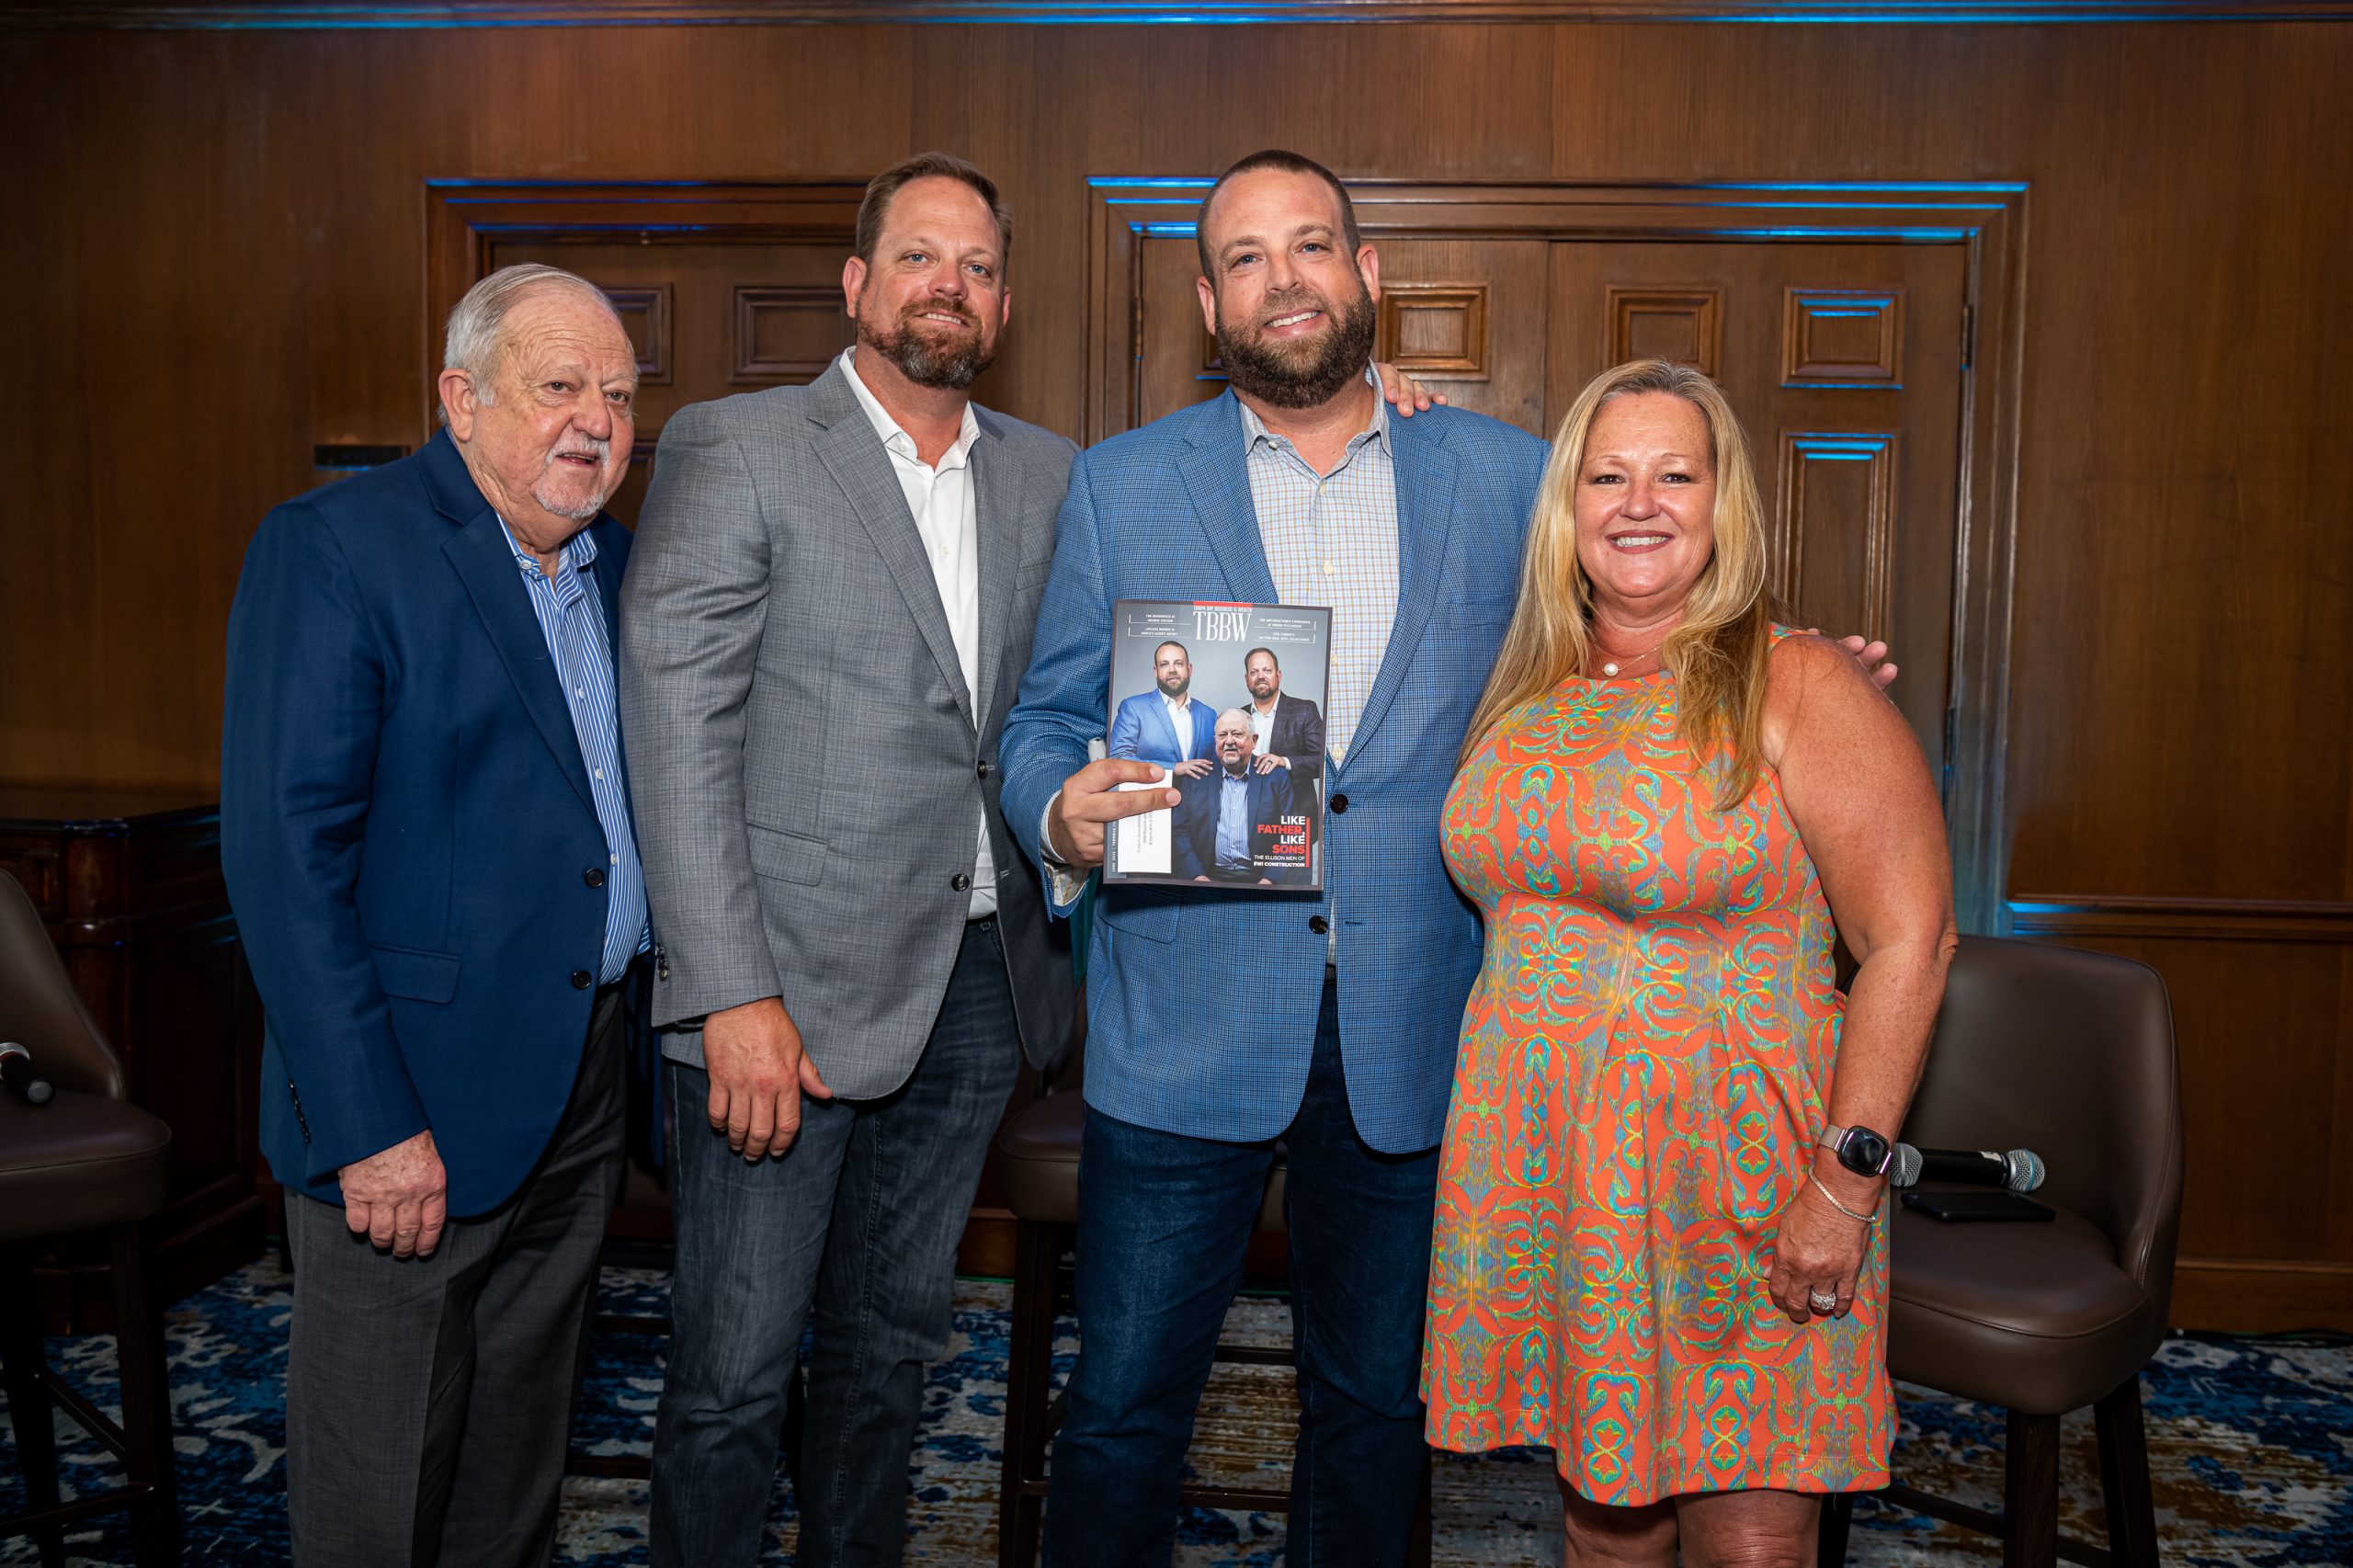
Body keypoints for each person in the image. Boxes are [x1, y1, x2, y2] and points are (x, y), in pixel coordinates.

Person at [1000, 148, 1554, 1568]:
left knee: (1374, 1409)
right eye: (1244, 257)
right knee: (1122, 1408)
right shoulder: (1124, 484)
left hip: (1409, 1020)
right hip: (1186, 1017)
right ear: (1209, 303)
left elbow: (1628, 653)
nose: (1281, 278)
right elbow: (1047, 720)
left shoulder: (1505, 476)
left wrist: (1794, 678)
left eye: (1309, 244)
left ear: (1366, 273)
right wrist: (1060, 811)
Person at [616, 153, 1078, 1567]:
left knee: (891, 1354)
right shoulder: (740, 445)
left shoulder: (1050, 474)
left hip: (976, 990)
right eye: (922, 256)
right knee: (734, 1375)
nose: (952, 285)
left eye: (979, 266)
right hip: (784, 999)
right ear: (857, 282)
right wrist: (727, 991)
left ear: (1003, 305)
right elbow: (675, 726)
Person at [1421, 358, 1959, 1566]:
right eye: (1606, 476)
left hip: (1739, 1171)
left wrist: (1843, 1186)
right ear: (1567, 507)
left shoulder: (1798, 678)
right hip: (1553, 1168)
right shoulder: (1528, 682)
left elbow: (1913, 941)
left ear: (1725, 504)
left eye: (1675, 475)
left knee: (1749, 1527)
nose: (1638, 503)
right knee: (1601, 1515)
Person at [221, 263, 646, 1567]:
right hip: (409, 1102)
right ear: (460, 399)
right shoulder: (337, 548)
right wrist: (368, 1125)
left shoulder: (614, 562)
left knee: (513, 1469)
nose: (595, 421)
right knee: (377, 1497)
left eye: (620, 395)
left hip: (580, 1082)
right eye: (559, 385)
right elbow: (285, 861)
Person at [1171, 708, 1306, 885]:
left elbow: (1292, 833)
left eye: (1237, 734)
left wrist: (1269, 880)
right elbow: (1180, 832)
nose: (1229, 741)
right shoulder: (1197, 777)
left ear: (1254, 740)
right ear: (1215, 741)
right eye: (1222, 735)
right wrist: (1198, 877)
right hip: (1208, 878)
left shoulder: (1276, 776)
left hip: (1261, 880)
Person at [1108, 638, 1218, 777]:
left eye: (1178, 663)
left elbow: (1217, 763)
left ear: (1189, 669)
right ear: (1156, 671)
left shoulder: (1209, 714)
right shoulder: (1133, 708)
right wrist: (1173, 768)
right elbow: (1118, 758)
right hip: (1154, 790)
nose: (1172, 670)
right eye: (1164, 664)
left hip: (1199, 791)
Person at [1240, 645, 1325, 780]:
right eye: (1254, 672)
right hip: (1247, 793)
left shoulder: (1305, 710)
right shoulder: (1239, 716)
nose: (1261, 676)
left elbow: (1322, 762)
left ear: (1278, 676)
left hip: (1293, 794)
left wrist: (1284, 762)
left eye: (1267, 670)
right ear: (1247, 679)